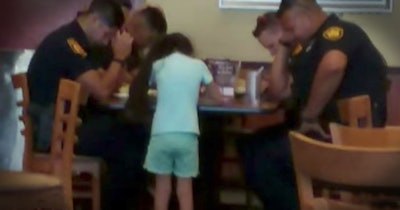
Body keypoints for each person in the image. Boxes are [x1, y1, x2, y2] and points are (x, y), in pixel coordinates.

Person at [128, 33, 223, 210]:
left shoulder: (158, 65)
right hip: (187, 134)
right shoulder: (198, 65)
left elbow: (150, 87)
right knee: (185, 187)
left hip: (161, 134)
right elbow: (217, 96)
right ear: (188, 50)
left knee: (162, 186)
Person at [273, 0, 388, 136]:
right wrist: (283, 44)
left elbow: (333, 66)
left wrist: (309, 116)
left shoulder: (341, 31)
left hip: (341, 135)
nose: (288, 35)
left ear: (306, 17)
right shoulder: (306, 46)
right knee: (251, 143)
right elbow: (279, 92)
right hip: (310, 129)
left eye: (290, 28)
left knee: (256, 149)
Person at [236, 12, 298, 210]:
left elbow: (280, 92)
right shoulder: (290, 55)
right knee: (246, 144)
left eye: (273, 46)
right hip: (294, 123)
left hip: (306, 129)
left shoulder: (301, 53)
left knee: (259, 156)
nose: (272, 53)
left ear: (284, 33)